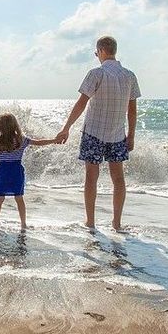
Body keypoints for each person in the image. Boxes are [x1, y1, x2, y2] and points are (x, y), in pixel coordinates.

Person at [56, 36, 141, 231]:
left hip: (93, 132)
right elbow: (133, 111)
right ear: (114, 51)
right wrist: (132, 136)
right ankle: (117, 223)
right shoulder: (130, 76)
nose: (97, 56)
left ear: (101, 51)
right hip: (118, 134)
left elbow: (81, 104)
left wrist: (66, 127)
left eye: (96, 53)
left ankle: (91, 222)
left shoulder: (96, 73)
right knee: (118, 179)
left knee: (91, 178)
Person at [0, 113, 59, 229]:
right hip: (16, 172)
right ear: (15, 125)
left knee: (0, 198)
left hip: (2, 172)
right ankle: (23, 224)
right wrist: (54, 140)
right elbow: (39, 142)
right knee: (19, 198)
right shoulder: (21, 140)